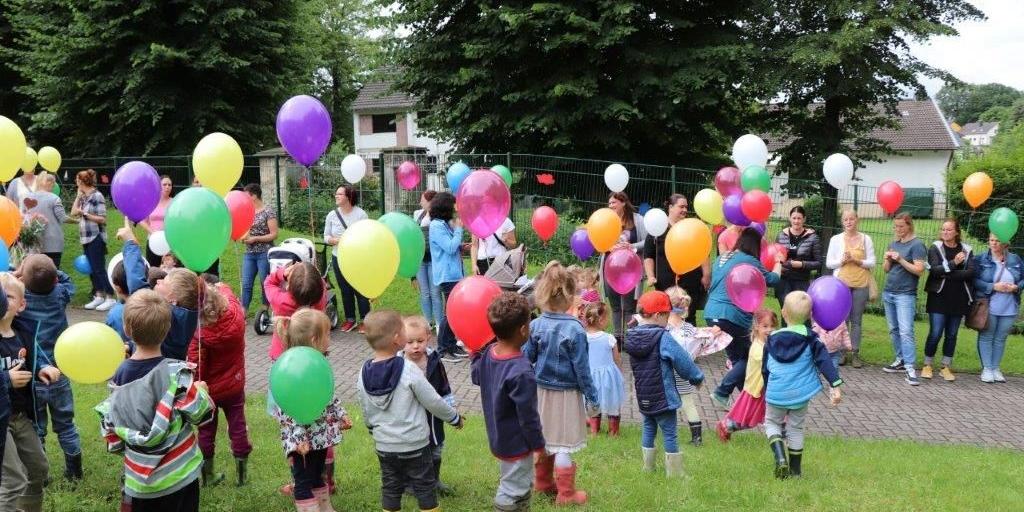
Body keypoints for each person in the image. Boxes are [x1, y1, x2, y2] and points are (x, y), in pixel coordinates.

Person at [97, 289, 213, 511]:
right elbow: (202, 414)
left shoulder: (119, 375)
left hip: (139, 482)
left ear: (127, 330)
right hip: (179, 477)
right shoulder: (176, 374)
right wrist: (202, 391)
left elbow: (118, 417)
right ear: (168, 329)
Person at [357, 310, 463, 512]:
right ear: (398, 338)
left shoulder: (362, 372)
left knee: (390, 488)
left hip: (384, 445)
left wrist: (372, 429)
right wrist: (454, 417)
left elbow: (365, 405)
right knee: (425, 488)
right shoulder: (408, 369)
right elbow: (432, 400)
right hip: (414, 443)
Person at [522, 261, 598, 506]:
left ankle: (543, 482)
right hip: (567, 393)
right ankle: (566, 494)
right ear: (571, 296)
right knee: (564, 443)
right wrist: (593, 399)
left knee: (544, 437)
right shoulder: (576, 329)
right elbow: (583, 369)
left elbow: (526, 359)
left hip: (541, 391)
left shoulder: (535, 325)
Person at [471, 292, 545, 512]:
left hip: (499, 435)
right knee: (512, 488)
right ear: (523, 330)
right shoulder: (522, 371)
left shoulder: (489, 353)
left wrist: (474, 354)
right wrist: (539, 445)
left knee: (520, 487)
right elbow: (528, 417)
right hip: (517, 443)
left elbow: (476, 376)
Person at [272, 308, 350, 512]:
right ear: (315, 339)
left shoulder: (320, 363)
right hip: (301, 442)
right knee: (303, 481)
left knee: (317, 475)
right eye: (328, 334)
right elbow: (287, 411)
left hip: (320, 435)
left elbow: (328, 393)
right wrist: (299, 439)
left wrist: (341, 415)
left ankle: (324, 507)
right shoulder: (290, 369)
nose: (330, 338)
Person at [625, 290, 705, 479]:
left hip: (644, 395)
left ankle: (648, 467)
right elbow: (682, 360)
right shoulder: (663, 338)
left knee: (648, 427)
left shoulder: (632, 336)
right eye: (667, 315)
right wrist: (697, 377)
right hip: (663, 395)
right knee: (670, 433)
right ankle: (675, 474)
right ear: (657, 315)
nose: (668, 320)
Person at [13, 254, 80, 481]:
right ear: (54, 281)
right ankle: (74, 471)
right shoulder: (60, 294)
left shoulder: (22, 301)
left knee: (36, 428)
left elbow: (7, 287)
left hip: (33, 376)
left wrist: (18, 271)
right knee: (66, 425)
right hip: (59, 372)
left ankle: (39, 472)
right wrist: (55, 272)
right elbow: (69, 281)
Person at [763, 291, 843, 479]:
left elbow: (765, 369)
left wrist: (767, 389)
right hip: (800, 395)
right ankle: (796, 471)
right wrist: (835, 385)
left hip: (776, 394)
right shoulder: (812, 339)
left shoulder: (771, 340)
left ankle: (780, 458)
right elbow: (825, 363)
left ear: (783, 313)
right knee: (796, 428)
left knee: (772, 423)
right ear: (809, 316)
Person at [0, 274, 61, 512]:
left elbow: (34, 360)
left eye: (9, 296)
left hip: (21, 416)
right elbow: (9, 377)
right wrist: (6, 379)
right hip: (1, 420)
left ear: (21, 305)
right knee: (13, 480)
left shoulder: (23, 333)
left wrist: (42, 369)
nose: (3, 302)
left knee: (38, 469)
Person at [706, 228, 782, 409]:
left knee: (737, 360)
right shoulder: (750, 260)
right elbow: (772, 279)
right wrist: (778, 262)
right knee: (751, 357)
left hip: (712, 313)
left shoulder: (721, 258)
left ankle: (745, 404)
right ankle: (722, 391)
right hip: (733, 316)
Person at [186, 280, 250, 487]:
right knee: (238, 426)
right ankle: (242, 475)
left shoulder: (198, 335)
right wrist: (220, 286)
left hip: (209, 391)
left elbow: (196, 366)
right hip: (235, 384)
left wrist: (195, 388)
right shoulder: (237, 315)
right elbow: (228, 293)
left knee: (206, 430)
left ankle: (208, 475)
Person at [117, 227, 201, 361]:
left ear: (173, 299)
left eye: (164, 282)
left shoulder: (171, 317)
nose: (159, 281)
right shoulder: (186, 316)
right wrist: (130, 347)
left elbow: (138, 287)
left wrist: (130, 243)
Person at [401, 316, 456, 495]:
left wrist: (449, 407)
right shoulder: (398, 364)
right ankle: (410, 482)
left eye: (420, 341)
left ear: (429, 338)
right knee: (414, 451)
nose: (415, 346)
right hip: (410, 416)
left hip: (433, 416)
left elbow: (443, 384)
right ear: (400, 340)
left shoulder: (434, 360)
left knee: (436, 447)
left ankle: (434, 480)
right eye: (409, 342)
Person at [644, 194, 710, 325]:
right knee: (666, 316)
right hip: (665, 284)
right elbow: (648, 256)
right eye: (681, 206)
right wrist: (651, 276)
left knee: (689, 316)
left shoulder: (691, 228)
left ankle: (690, 344)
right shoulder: (657, 229)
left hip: (690, 282)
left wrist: (707, 274)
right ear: (670, 207)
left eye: (686, 207)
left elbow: (703, 251)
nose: (685, 210)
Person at [922, 219, 975, 381]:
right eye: (943, 229)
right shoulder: (935, 247)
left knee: (952, 334)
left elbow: (970, 273)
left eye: (949, 230)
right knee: (935, 333)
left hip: (958, 298)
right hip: (938, 297)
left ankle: (946, 366)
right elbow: (935, 271)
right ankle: (927, 365)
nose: (945, 232)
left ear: (957, 232)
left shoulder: (966, 249)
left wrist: (948, 272)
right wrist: (954, 263)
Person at [881, 212, 927, 386]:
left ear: (909, 225)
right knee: (894, 329)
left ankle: (910, 368)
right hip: (889, 291)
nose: (898, 229)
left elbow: (919, 270)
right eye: (895, 226)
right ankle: (900, 359)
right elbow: (886, 270)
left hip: (905, 294)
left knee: (906, 331)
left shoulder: (917, 245)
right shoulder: (893, 244)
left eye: (901, 226)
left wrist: (900, 259)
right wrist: (887, 259)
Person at [825, 209, 875, 368]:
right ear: (842, 222)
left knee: (857, 320)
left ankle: (855, 353)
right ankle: (841, 352)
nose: (848, 222)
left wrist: (857, 261)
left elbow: (872, 262)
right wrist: (842, 261)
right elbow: (829, 263)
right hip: (841, 284)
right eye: (845, 220)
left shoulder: (866, 239)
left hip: (861, 284)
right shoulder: (836, 239)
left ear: (857, 220)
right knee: (842, 320)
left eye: (851, 219)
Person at [664, 287, 714, 447]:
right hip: (684, 371)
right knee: (689, 403)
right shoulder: (689, 328)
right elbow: (700, 341)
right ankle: (697, 438)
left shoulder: (663, 328)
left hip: (666, 372)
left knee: (664, 402)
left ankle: (664, 431)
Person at [717, 309, 775, 442]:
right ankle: (726, 426)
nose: (769, 330)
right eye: (765, 326)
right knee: (749, 420)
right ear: (756, 327)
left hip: (766, 389)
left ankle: (782, 438)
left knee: (773, 417)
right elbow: (768, 363)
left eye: (772, 326)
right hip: (757, 389)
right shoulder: (757, 347)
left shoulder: (767, 343)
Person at [973, 233, 1024, 383]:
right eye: (991, 240)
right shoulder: (981, 259)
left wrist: (1016, 287)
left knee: (1001, 338)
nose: (994, 244)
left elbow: (1023, 279)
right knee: (987, 336)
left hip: (1009, 306)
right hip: (988, 305)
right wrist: (993, 286)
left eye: (997, 241)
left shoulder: (1015, 259)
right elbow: (974, 280)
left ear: (1005, 243)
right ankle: (987, 369)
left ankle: (995, 368)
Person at [428, 192, 469, 362]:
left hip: (454, 273)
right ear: (445, 206)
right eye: (452, 204)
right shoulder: (436, 226)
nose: (455, 208)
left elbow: (451, 247)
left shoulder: (443, 224)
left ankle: (451, 344)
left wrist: (461, 246)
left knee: (454, 311)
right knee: (450, 312)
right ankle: (443, 348)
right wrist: (459, 229)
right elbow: (449, 248)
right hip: (447, 275)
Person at [324, 185, 370, 333]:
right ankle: (350, 319)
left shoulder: (361, 214)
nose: (336, 196)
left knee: (360, 289)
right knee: (345, 289)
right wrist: (335, 241)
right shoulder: (332, 215)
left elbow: (367, 236)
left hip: (357, 258)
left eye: (339, 194)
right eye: (336, 193)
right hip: (339, 257)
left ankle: (365, 320)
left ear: (349, 197)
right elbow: (326, 237)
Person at [578, 289, 624, 436]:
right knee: (613, 403)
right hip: (608, 376)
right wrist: (619, 370)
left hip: (590, 375)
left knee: (593, 402)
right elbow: (616, 358)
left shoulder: (582, 337)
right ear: (602, 320)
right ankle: (613, 431)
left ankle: (594, 430)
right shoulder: (609, 338)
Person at [70, 169, 116, 311]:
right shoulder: (83, 197)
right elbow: (72, 212)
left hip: (96, 237)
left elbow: (102, 219)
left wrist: (84, 213)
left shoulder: (97, 196)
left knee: (98, 268)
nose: (76, 182)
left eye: (77, 180)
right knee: (91, 269)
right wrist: (78, 197)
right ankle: (99, 296)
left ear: (82, 181)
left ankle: (110, 297)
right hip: (85, 238)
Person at [604, 192, 647, 341]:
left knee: (629, 307)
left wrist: (631, 246)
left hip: (631, 270)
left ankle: (632, 338)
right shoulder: (606, 221)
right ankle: (618, 338)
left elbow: (647, 242)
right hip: (611, 268)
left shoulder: (637, 220)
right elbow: (600, 243)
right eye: (609, 203)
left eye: (613, 203)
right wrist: (609, 246)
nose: (610, 206)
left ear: (623, 203)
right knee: (615, 306)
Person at [265, 262, 328, 361]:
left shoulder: (280, 302)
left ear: (289, 286)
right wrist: (311, 274)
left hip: (282, 356)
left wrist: (283, 274)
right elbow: (321, 284)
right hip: (313, 355)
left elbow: (268, 283)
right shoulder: (319, 301)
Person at [238, 183, 278, 313]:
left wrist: (255, 239)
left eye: (246, 195)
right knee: (246, 283)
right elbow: (244, 229)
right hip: (249, 253)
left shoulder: (268, 211)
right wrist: (243, 237)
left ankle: (264, 309)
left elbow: (274, 234)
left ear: (254, 196)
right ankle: (244, 310)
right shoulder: (247, 211)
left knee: (264, 282)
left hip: (264, 253)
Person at [775, 206, 822, 307]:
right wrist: (778, 267)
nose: (796, 221)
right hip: (783, 281)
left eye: (799, 218)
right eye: (794, 218)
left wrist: (801, 264)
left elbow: (818, 263)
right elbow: (774, 257)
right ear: (790, 218)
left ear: (804, 219)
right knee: (786, 312)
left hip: (801, 281)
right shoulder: (781, 235)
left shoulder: (813, 237)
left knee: (801, 313)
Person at [412, 190, 443, 330]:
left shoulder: (440, 216)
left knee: (435, 292)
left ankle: (439, 322)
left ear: (430, 201)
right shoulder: (418, 214)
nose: (420, 202)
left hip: (434, 260)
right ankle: (427, 321)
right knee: (424, 292)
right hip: (420, 260)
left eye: (422, 199)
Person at [22, 173, 68, 268]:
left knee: (36, 274)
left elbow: (23, 219)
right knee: (53, 272)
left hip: (33, 243)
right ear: (50, 183)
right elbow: (63, 218)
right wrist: (77, 220)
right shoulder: (54, 198)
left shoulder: (26, 198)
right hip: (53, 244)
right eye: (53, 184)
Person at [139, 175, 174, 267]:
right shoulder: (151, 202)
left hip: (170, 243)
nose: (167, 187)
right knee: (153, 269)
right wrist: (153, 233)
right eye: (164, 184)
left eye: (169, 185)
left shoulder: (175, 202)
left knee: (170, 270)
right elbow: (142, 220)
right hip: (153, 241)